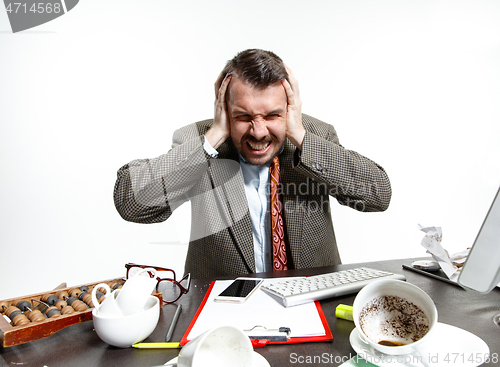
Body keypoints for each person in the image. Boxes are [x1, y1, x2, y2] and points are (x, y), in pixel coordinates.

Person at [113, 49, 391, 279]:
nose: (258, 132)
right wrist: (213, 138)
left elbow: (379, 195)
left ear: (290, 109)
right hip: (221, 310)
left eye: (272, 115)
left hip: (312, 299)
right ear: (223, 107)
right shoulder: (198, 142)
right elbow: (131, 203)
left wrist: (299, 134)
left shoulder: (316, 136)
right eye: (244, 116)